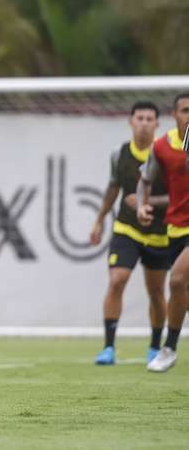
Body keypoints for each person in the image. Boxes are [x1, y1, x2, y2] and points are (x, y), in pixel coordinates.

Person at [89, 102, 170, 365]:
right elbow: (113, 189)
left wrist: (149, 201)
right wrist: (99, 221)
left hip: (159, 233)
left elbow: (178, 195)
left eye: (150, 118)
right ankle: (109, 347)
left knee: (156, 291)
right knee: (117, 280)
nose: (144, 122)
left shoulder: (165, 154)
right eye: (140, 118)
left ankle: (155, 347)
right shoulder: (120, 154)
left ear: (157, 124)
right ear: (131, 122)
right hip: (126, 229)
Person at [139, 93, 189, 372]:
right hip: (176, 228)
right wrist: (142, 207)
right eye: (185, 110)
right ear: (174, 114)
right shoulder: (162, 147)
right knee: (184, 293)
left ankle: (168, 348)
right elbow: (144, 179)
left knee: (177, 279)